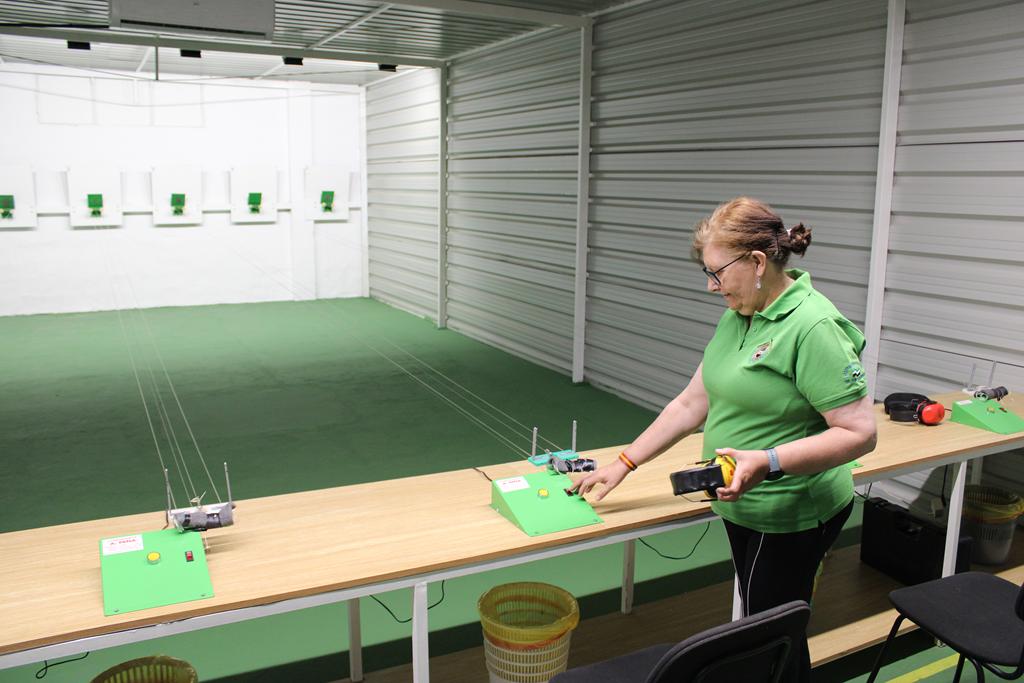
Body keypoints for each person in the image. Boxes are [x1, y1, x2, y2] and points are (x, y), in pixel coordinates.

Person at [570, 196, 877, 682]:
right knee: (772, 633)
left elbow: (859, 432)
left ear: (757, 262)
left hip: (789, 511)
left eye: (718, 273)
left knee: (768, 642)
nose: (712, 286)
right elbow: (692, 403)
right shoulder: (740, 313)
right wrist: (623, 464)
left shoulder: (812, 326)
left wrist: (767, 461)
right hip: (743, 499)